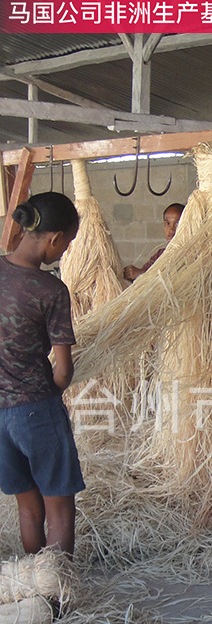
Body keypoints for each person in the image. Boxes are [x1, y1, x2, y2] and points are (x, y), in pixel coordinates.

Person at [0, 192, 84, 556]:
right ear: (54, 239)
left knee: (28, 506)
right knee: (59, 507)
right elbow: (63, 371)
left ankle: (35, 586)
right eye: (67, 243)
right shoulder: (51, 290)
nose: (64, 252)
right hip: (35, 409)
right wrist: (50, 394)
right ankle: (57, 596)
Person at [123, 202, 184, 281]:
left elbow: (174, 281)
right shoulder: (160, 254)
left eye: (177, 223)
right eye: (167, 223)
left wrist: (141, 275)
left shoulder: (190, 255)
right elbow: (143, 273)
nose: (171, 229)